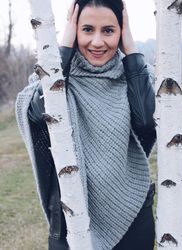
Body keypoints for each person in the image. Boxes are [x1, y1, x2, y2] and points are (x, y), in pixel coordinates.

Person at [15, 0, 156, 249]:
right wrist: (63, 52)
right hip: (71, 217)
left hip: (133, 213)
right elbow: (39, 111)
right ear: (74, 30)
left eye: (109, 31)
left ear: (121, 32)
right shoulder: (52, 80)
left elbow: (146, 120)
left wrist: (132, 51)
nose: (98, 42)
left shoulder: (138, 76)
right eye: (87, 29)